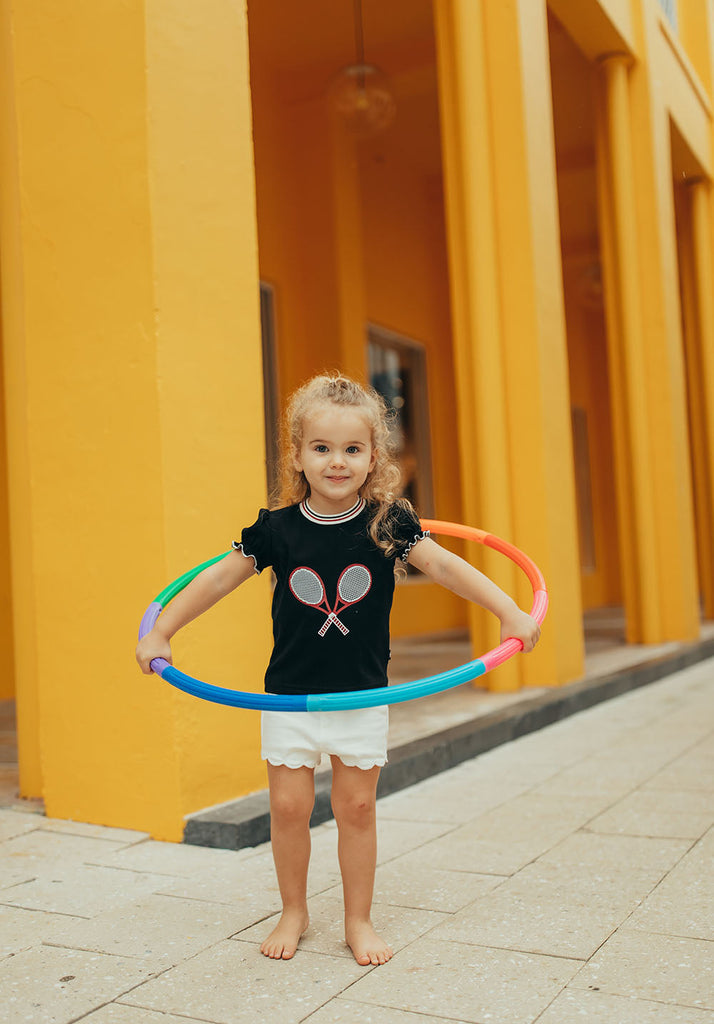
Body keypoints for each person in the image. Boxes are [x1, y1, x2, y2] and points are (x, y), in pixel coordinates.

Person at [136, 373, 540, 967]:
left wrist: (509, 612)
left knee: (357, 808)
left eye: (353, 449)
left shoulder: (388, 524)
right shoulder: (276, 530)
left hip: (357, 696)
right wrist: (162, 631)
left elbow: (449, 567)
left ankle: (358, 919)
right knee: (289, 808)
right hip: (290, 696)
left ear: (374, 456)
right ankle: (293, 910)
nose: (337, 462)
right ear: (297, 455)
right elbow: (218, 579)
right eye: (321, 448)